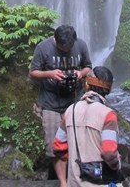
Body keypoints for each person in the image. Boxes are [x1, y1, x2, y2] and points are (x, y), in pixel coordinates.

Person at [29, 25, 93, 187]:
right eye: (62, 47)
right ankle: (63, 183)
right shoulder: (43, 47)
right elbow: (33, 73)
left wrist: (81, 74)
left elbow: (88, 66)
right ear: (56, 41)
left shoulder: (81, 45)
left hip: (75, 101)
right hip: (51, 103)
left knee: (78, 142)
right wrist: (50, 74)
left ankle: (77, 178)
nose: (66, 49)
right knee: (54, 145)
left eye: (69, 46)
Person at [52, 66, 122, 187]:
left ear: (87, 85)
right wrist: (117, 164)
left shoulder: (70, 111)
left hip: (75, 182)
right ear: (109, 89)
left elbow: (57, 146)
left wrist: (75, 158)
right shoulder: (108, 114)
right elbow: (109, 153)